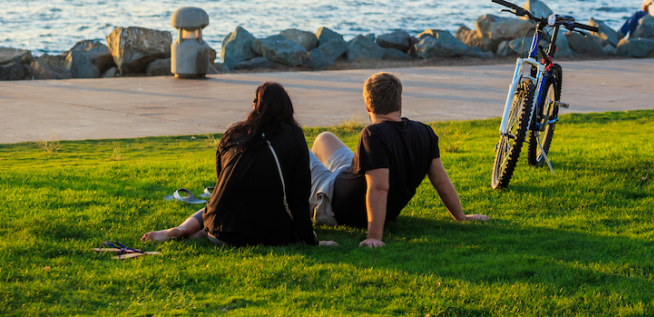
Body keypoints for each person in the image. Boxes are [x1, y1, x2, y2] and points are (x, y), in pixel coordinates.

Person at [310, 72, 488, 248]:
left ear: (367, 107)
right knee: (324, 138)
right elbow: (441, 180)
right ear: (400, 102)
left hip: (332, 201)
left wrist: (374, 237)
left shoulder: (373, 134)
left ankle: (304, 198)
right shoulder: (425, 132)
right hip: (346, 178)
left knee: (301, 150)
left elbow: (379, 187)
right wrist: (461, 217)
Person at [143, 82, 324, 247]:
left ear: (255, 106)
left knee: (213, 207)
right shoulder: (294, 135)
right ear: (287, 107)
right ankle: (200, 233)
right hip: (260, 234)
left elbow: (221, 181)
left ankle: (183, 229)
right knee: (270, 216)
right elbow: (298, 194)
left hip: (218, 229)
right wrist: (309, 239)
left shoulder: (234, 132)